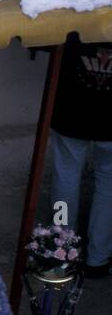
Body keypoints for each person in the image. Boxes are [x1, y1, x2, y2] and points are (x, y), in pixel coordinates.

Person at [49, 33, 112, 278]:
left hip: (71, 110)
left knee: (65, 180)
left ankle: (61, 247)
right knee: (108, 186)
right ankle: (98, 257)